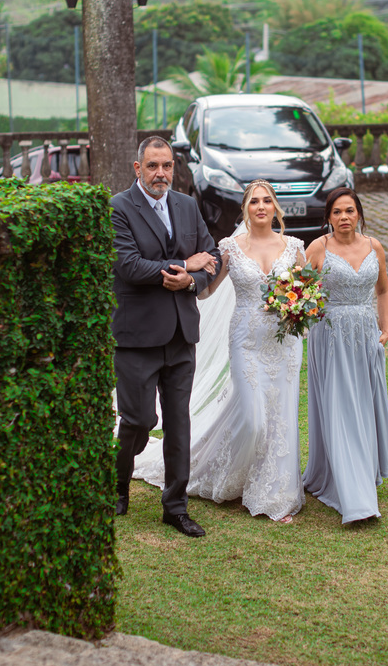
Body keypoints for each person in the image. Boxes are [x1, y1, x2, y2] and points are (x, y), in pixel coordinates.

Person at [134, 180, 306, 523]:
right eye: (254, 201)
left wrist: (300, 306)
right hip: (245, 342)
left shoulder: (294, 248)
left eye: (266, 201)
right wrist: (187, 276)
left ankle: (272, 493)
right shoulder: (229, 248)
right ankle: (218, 469)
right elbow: (205, 291)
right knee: (254, 420)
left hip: (284, 343)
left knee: (280, 417)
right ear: (245, 209)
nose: (260, 207)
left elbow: (304, 291)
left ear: (275, 207)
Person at [112, 136, 220, 538]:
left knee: (178, 424)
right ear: (137, 168)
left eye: (167, 166)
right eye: (153, 166)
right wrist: (183, 264)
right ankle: (116, 483)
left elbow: (212, 256)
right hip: (136, 336)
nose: (161, 173)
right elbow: (128, 266)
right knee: (138, 420)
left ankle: (175, 507)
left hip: (180, 334)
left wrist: (192, 280)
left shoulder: (187, 206)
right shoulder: (119, 208)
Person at [302, 187, 388, 524]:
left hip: (365, 336)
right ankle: (355, 495)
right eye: (337, 212)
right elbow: (298, 293)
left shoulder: (374, 246)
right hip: (330, 337)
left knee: (362, 405)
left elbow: (383, 289)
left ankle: (361, 469)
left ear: (359, 213)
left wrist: (385, 327)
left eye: (350, 210)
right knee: (340, 407)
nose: (344, 217)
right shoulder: (318, 248)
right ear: (328, 218)